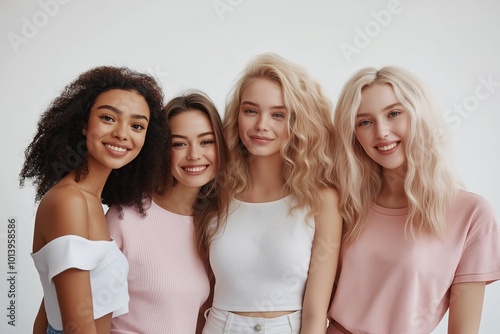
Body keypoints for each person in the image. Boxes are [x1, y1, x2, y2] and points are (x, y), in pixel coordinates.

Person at [327, 66, 500, 334]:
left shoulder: (472, 215)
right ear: (354, 134)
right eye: (365, 122)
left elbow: (463, 331)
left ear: (419, 116)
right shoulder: (344, 203)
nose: (381, 132)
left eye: (394, 114)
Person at [19, 65, 168, 334]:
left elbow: (47, 308)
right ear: (84, 123)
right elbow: (76, 326)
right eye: (109, 118)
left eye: (136, 125)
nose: (122, 133)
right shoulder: (69, 202)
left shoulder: (90, 202)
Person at [203, 53, 342, 334]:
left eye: (278, 114)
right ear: (237, 114)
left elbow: (316, 314)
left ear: (298, 121)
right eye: (251, 110)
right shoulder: (214, 191)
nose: (261, 125)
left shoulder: (322, 199)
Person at [106, 91, 229, 334]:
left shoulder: (215, 224)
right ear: (162, 150)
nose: (194, 155)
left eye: (206, 141)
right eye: (179, 144)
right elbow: (92, 312)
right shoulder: (124, 217)